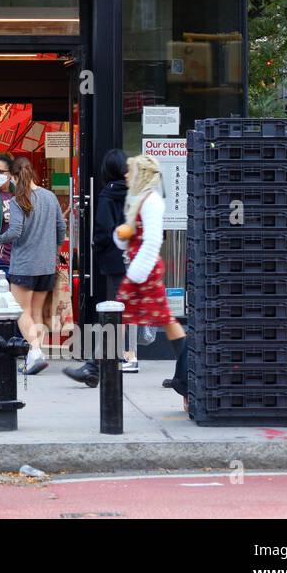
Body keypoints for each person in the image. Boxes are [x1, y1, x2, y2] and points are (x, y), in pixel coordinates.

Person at [115, 154, 188, 405]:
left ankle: (94, 366)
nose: (126, 175)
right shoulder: (140, 200)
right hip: (142, 268)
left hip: (142, 269)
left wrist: (135, 273)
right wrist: (121, 236)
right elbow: (133, 236)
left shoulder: (151, 201)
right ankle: (188, 371)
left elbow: (153, 240)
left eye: (130, 171)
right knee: (167, 322)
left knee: (117, 313)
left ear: (141, 174)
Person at [64, 149, 128, 387]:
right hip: (136, 259)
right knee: (122, 313)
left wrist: (97, 249)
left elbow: (102, 229)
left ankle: (96, 366)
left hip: (115, 260)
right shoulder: (138, 193)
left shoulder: (108, 194)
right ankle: (102, 363)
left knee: (114, 314)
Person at [0, 155, 66, 375]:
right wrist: (53, 250)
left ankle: (35, 351)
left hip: (25, 264)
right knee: (37, 312)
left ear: (15, 176)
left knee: (20, 311)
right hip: (46, 265)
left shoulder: (18, 200)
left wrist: (0, 238)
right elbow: (61, 228)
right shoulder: (49, 197)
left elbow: (16, 231)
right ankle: (35, 356)